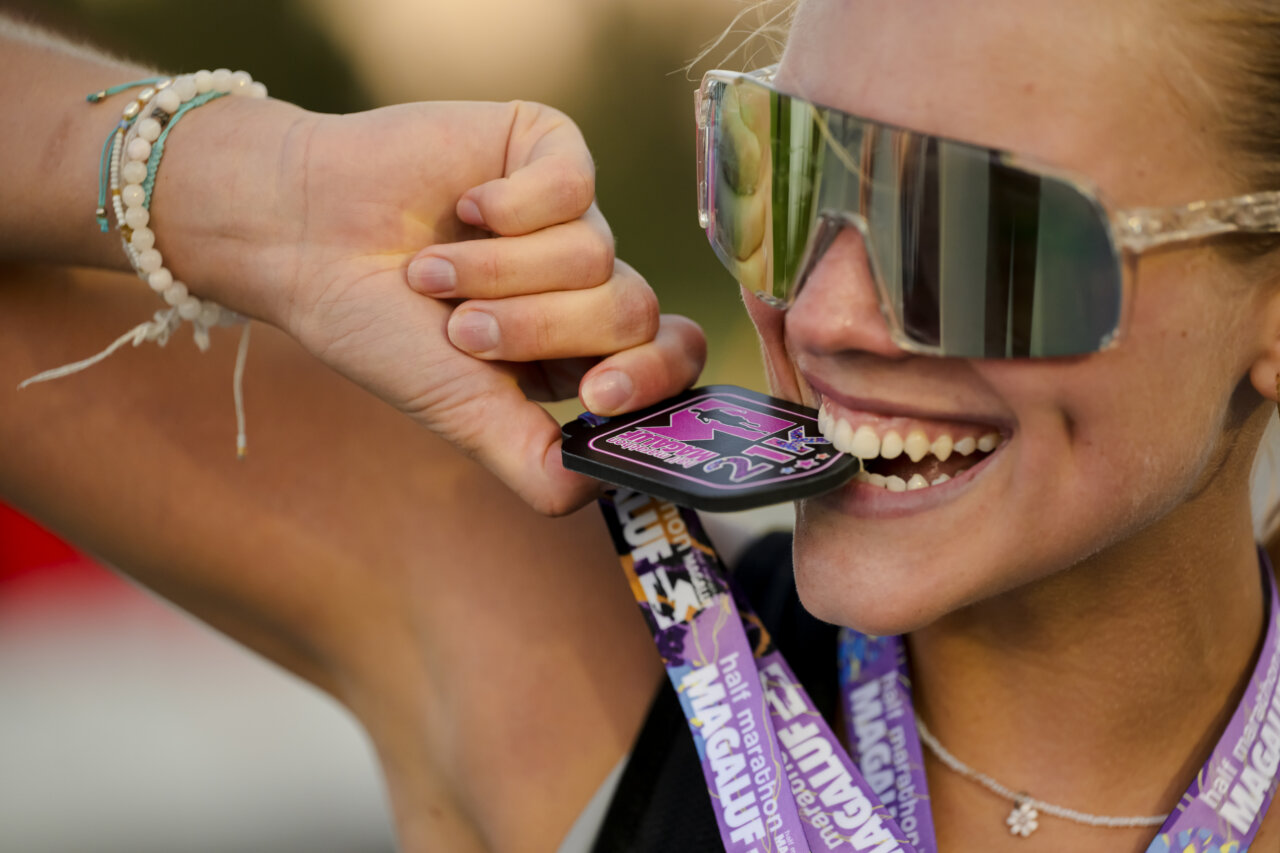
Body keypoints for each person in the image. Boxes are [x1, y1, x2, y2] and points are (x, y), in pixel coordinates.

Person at [4, 2, 1280, 853]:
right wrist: (257, 190)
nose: (823, 313)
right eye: (783, 170)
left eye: (980, 233)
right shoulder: (550, 641)